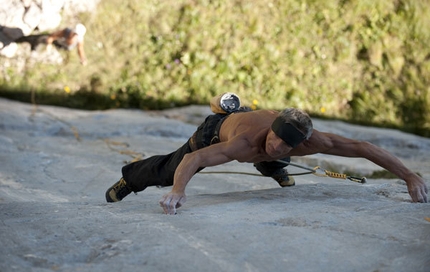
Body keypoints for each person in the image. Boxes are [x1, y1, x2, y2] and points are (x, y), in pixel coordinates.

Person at [105, 93, 428, 214]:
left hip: (255, 127)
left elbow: (363, 148)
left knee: (272, 156)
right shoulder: (244, 143)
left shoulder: (310, 141)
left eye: (286, 145)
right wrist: (178, 190)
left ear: (302, 143)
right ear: (271, 126)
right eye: (274, 138)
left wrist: (409, 175)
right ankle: (129, 179)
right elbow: (196, 159)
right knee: (168, 170)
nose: (276, 144)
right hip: (215, 132)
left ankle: (274, 167)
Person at [15, 23, 87, 65]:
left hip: (62, 47)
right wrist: (49, 44)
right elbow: (52, 37)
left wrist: (82, 59)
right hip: (56, 41)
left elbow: (80, 49)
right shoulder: (66, 32)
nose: (74, 36)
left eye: (76, 35)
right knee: (38, 38)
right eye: (74, 34)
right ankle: (21, 41)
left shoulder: (79, 40)